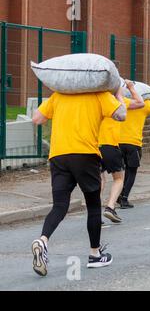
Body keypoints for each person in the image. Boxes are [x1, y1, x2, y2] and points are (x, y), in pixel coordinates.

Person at [31, 90, 126, 276]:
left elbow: (37, 119)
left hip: (58, 155)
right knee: (93, 206)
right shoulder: (99, 93)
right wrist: (118, 94)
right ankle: (95, 255)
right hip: (85, 154)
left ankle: (43, 240)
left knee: (59, 205)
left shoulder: (59, 95)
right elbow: (121, 115)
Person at [99, 80, 145, 223]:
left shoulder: (96, 101)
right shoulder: (118, 102)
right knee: (119, 178)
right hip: (110, 145)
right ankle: (110, 207)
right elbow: (140, 103)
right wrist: (130, 87)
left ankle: (94, 212)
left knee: (99, 179)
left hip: (93, 146)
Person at [117, 93, 150, 209]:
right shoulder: (145, 104)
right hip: (133, 143)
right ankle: (124, 198)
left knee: (119, 172)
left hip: (117, 142)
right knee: (132, 171)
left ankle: (117, 195)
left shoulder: (121, 101)